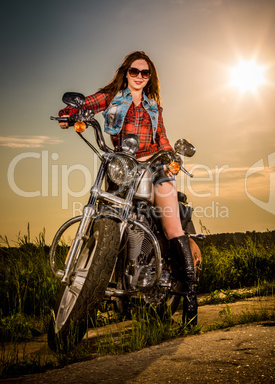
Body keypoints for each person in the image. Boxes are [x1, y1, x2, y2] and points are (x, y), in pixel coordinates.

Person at [58, 50, 200, 325]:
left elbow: (162, 137)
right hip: (122, 166)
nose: (139, 77)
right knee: (101, 212)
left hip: (154, 167)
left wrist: (170, 155)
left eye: (144, 73)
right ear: (126, 72)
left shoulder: (153, 106)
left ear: (150, 77)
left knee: (173, 227)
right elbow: (88, 104)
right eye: (134, 71)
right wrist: (70, 112)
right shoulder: (113, 96)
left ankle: (191, 298)